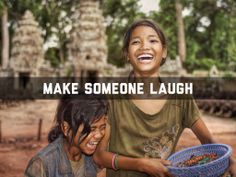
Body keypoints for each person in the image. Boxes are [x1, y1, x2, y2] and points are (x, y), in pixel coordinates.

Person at [93, 19, 236, 177]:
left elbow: (209, 141)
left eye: (153, 40)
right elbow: (99, 156)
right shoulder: (111, 98)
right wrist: (141, 164)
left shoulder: (181, 98)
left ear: (164, 52)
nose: (144, 46)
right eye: (136, 42)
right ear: (127, 54)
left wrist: (230, 160)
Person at [25, 93, 108, 177]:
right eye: (91, 129)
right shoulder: (42, 164)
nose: (99, 135)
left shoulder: (96, 158)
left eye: (102, 127)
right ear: (66, 128)